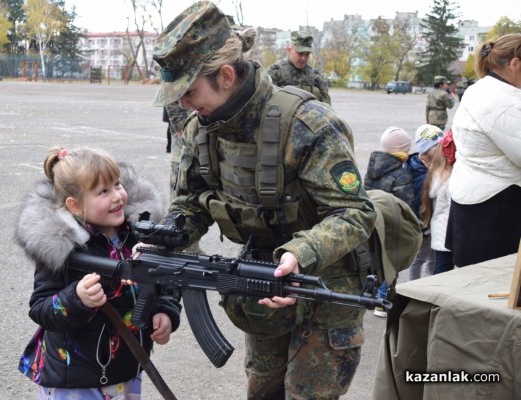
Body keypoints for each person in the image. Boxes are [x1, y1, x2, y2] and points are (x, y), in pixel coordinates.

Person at [152, 2, 376, 399]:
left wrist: (300, 254)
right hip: (260, 276)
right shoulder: (198, 129)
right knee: (262, 390)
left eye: (189, 91)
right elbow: (188, 203)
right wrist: (166, 240)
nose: (183, 103)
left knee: (307, 394)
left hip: (326, 282)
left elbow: (355, 213)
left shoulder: (307, 124)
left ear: (225, 76)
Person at [15, 146, 181, 399]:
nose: (117, 197)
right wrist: (76, 298)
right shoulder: (63, 249)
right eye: (103, 191)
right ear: (75, 206)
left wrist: (164, 311)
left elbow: (164, 282)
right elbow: (41, 309)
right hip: (76, 379)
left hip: (127, 367)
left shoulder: (139, 234)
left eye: (117, 184)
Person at [446, 33, 521, 267]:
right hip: (495, 206)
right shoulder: (504, 100)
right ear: (515, 63)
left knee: (472, 281)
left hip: (474, 198)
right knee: (492, 285)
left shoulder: (479, 89)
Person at [364, 126, 414, 317]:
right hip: (391, 225)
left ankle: (370, 295)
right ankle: (382, 302)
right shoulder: (401, 174)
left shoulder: (373, 166)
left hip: (372, 221)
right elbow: (406, 204)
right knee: (390, 262)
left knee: (374, 259)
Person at [416, 124, 454, 274]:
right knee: (442, 269)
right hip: (445, 233)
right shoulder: (444, 174)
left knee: (440, 267)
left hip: (441, 232)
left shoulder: (436, 172)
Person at [267, 30, 331, 104]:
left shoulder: (315, 76)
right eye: (300, 54)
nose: (303, 58)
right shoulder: (275, 73)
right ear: (289, 50)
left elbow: (327, 107)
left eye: (307, 54)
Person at [404, 142, 436, 281]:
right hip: (424, 224)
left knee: (432, 257)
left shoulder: (416, 163)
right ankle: (415, 286)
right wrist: (423, 224)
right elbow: (418, 202)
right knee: (420, 258)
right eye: (437, 145)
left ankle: (432, 282)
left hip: (429, 223)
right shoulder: (421, 176)